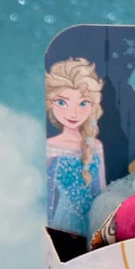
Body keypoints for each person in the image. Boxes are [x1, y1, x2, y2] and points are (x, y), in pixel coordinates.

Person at [45, 57, 106, 236]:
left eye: (83, 103)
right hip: (63, 223)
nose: (73, 113)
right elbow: (46, 196)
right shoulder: (50, 147)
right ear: (50, 102)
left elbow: (102, 192)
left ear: (93, 106)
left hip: (93, 222)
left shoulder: (95, 146)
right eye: (62, 102)